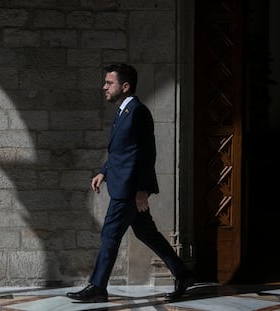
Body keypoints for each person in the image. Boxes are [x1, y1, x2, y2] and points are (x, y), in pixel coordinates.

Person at [66, 63, 195, 302]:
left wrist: (141, 190)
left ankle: (97, 287)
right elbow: (122, 151)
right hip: (122, 184)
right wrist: (103, 172)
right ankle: (183, 274)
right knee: (148, 234)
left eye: (109, 83)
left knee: (109, 235)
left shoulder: (138, 111)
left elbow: (147, 153)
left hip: (128, 190)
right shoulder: (123, 111)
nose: (104, 87)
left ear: (125, 87)